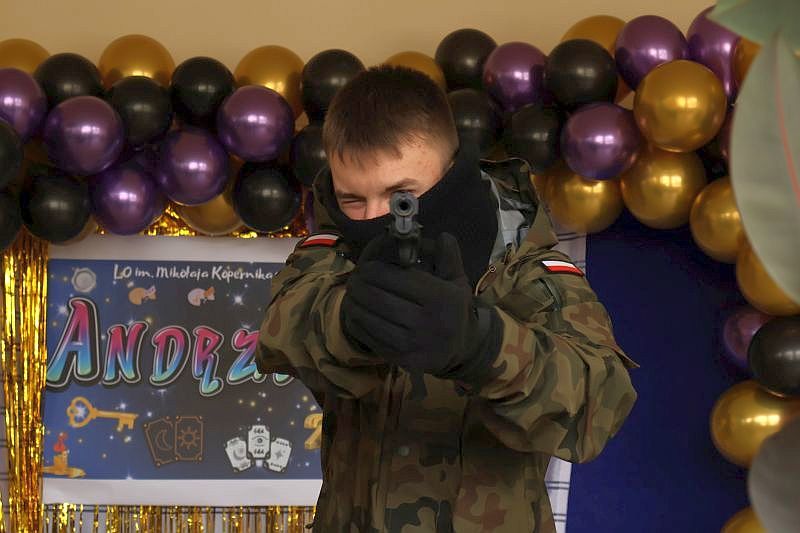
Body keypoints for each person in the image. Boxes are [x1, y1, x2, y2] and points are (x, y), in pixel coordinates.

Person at [256, 65, 637, 533]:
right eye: (352, 199)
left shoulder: (524, 268)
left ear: (451, 173)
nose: (374, 218)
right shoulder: (334, 252)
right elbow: (278, 333)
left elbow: (599, 405)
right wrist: (349, 321)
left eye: (401, 195)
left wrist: (482, 345)